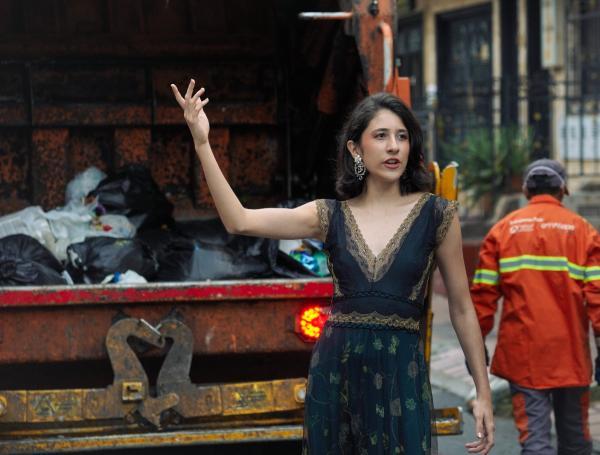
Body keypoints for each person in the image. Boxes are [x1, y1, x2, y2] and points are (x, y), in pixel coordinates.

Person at [171, 80, 494, 454]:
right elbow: (239, 221)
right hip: (336, 371)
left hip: (400, 375)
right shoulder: (329, 215)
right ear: (356, 148)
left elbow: (461, 308)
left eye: (402, 137)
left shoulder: (438, 215)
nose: (393, 146)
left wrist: (482, 392)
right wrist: (202, 143)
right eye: (382, 135)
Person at [470, 159, 600, 455]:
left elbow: (482, 298)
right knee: (576, 441)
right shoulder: (584, 232)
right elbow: (597, 298)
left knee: (536, 443)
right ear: (563, 189)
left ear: (526, 188)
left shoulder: (503, 231)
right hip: (571, 357)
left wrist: (476, 350)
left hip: (524, 356)